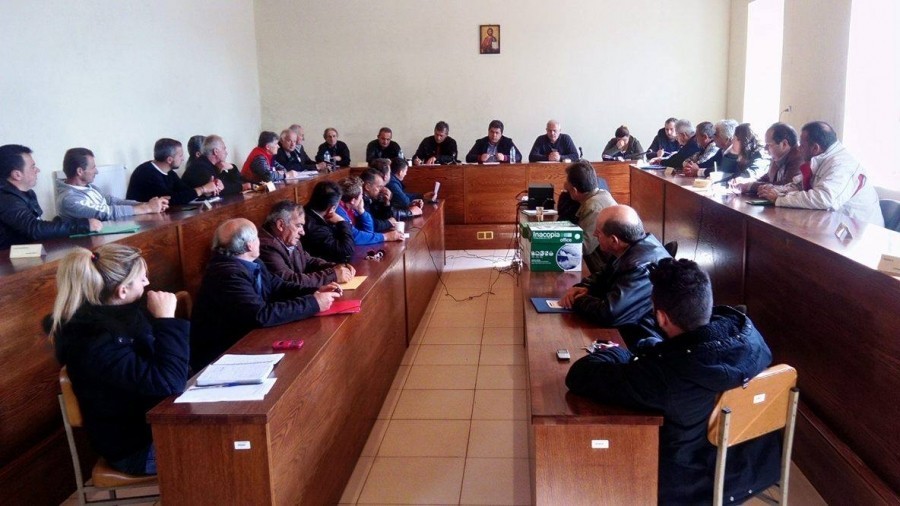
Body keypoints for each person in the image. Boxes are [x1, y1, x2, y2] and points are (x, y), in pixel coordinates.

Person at [565, 258, 781, 504]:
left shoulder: (666, 375)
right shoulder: (749, 336)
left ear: (661, 317)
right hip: (755, 465)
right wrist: (655, 348)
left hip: (693, 483)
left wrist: (622, 353)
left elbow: (580, 374)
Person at [48, 243, 190, 476]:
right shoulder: (93, 340)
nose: (147, 283)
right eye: (142, 279)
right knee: (235, 444)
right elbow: (169, 382)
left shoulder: (125, 316)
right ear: (122, 291)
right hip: (137, 447)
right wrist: (166, 321)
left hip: (160, 422)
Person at [190, 218, 342, 370]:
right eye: (257, 237)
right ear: (249, 245)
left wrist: (315, 291)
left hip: (249, 342)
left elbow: (278, 286)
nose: (260, 241)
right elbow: (259, 315)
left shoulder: (253, 263)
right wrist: (313, 303)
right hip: (222, 357)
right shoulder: (226, 274)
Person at [559, 205, 670, 327]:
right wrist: (585, 287)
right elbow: (604, 275)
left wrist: (577, 300)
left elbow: (608, 314)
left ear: (613, 240)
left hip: (639, 333)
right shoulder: (629, 248)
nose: (594, 234)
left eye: (598, 232)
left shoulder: (640, 267)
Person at [757, 121, 884, 226]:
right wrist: (775, 190)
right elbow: (800, 186)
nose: (799, 148)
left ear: (815, 148)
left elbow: (824, 198)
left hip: (861, 234)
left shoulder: (842, 165)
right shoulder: (823, 159)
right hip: (836, 226)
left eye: (802, 145)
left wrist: (779, 199)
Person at [0, 144, 100, 249]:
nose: (37, 170)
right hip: (8, 258)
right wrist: (83, 225)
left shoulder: (26, 193)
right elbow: (34, 229)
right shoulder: (5, 199)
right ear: (17, 175)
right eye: (32, 167)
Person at [259, 200, 355, 289]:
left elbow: (308, 261)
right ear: (281, 225)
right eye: (298, 225)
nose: (303, 232)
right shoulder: (266, 247)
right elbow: (290, 281)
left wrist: (337, 267)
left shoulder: (288, 238)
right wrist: (332, 275)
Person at [56, 147, 169, 220]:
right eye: (93, 167)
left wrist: (146, 204)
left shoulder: (90, 187)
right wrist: (147, 208)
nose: (96, 171)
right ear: (80, 171)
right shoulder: (68, 199)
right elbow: (106, 213)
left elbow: (113, 201)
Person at [126, 138, 222, 205]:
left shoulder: (170, 173)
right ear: (169, 160)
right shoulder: (146, 173)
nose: (183, 159)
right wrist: (202, 189)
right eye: (180, 156)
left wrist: (206, 192)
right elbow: (171, 200)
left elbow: (185, 192)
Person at [563, 161, 617, 273]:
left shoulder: (593, 206)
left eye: (568, 188)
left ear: (574, 191)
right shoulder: (601, 193)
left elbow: (584, 247)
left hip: (605, 269)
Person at [735, 122, 803, 195]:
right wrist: (748, 181)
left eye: (769, 144)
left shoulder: (799, 158)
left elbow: (785, 186)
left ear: (784, 144)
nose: (765, 148)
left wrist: (750, 186)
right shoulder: (777, 156)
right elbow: (768, 177)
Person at [337, 176, 404, 245]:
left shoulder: (353, 208)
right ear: (353, 201)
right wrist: (385, 237)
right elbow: (354, 237)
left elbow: (369, 231)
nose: (362, 197)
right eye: (361, 195)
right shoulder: (338, 210)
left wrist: (362, 211)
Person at [301, 180, 355, 263]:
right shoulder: (315, 228)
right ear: (332, 209)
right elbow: (346, 251)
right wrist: (342, 222)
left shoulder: (305, 211)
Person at [182, 135, 249, 195]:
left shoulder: (213, 165)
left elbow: (237, 181)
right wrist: (241, 187)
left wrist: (232, 168)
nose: (226, 152)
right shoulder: (200, 167)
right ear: (216, 151)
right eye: (224, 149)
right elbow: (220, 190)